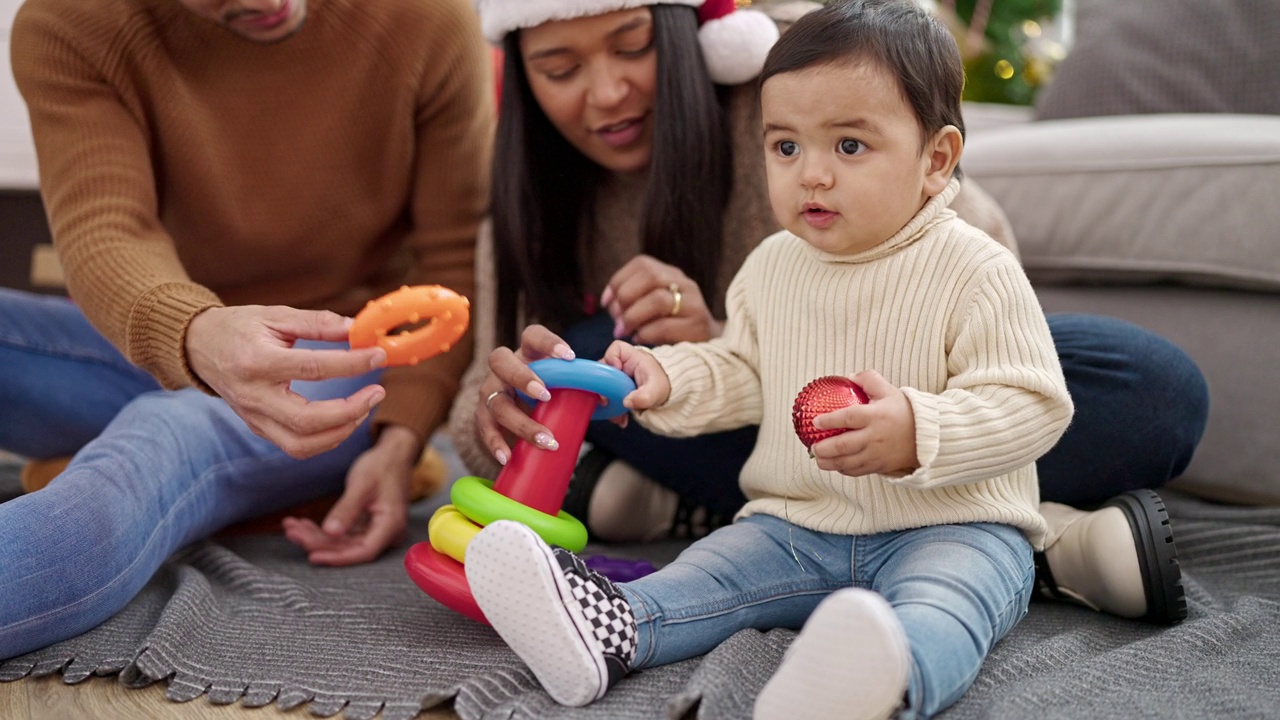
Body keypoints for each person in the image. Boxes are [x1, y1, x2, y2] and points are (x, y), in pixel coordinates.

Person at [450, 0, 1206, 625]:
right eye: (560, 68)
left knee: (1151, 385)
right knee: (590, 348)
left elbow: (980, 271)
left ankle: (1009, 537)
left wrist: (709, 322)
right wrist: (516, 408)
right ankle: (1040, 548)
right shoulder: (529, 202)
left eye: (632, 46)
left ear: (684, 34)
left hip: (916, 394)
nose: (607, 91)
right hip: (761, 430)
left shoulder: (790, 92)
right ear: (519, 74)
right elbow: (488, 404)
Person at [0, 0, 492, 660]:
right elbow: (105, 229)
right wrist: (199, 333)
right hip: (177, 338)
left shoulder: (429, 18)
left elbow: (455, 259)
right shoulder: (71, 25)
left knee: (160, 441)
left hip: (338, 363)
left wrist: (399, 437)